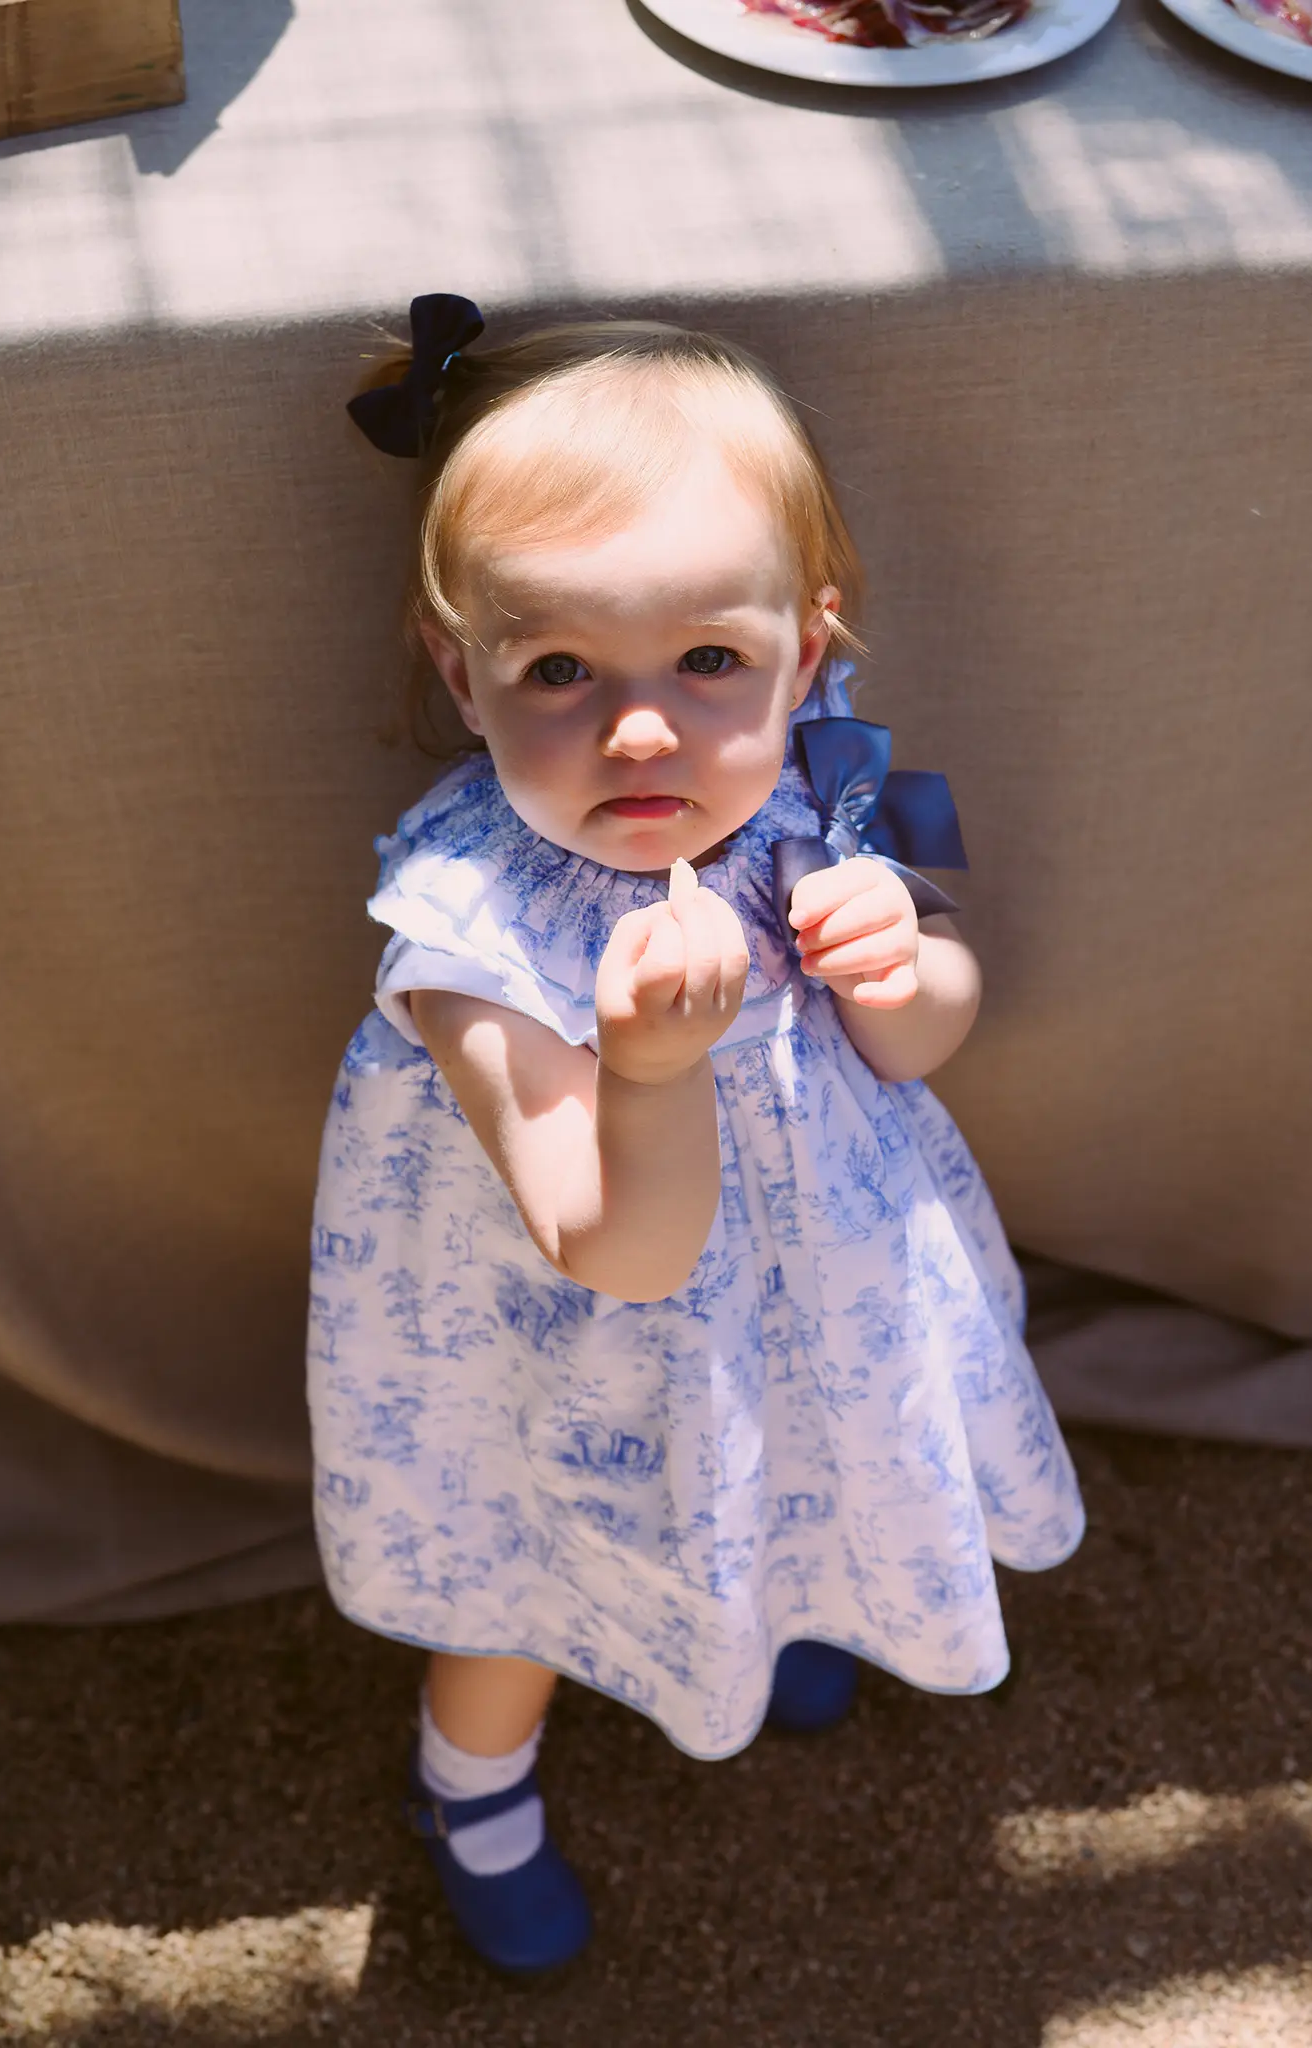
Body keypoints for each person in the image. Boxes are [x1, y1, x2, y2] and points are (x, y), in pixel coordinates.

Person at [308, 296, 1084, 1974]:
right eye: (559, 670)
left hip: (816, 1290)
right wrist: (650, 1077)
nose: (642, 728)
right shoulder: (466, 932)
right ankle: (470, 1785)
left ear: (805, 651)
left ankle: (785, 1612)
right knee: (522, 1583)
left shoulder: (823, 790)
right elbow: (615, 1249)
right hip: (568, 1349)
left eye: (707, 662)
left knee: (795, 1462)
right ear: (459, 669)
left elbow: (921, 1042)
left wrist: (909, 961)